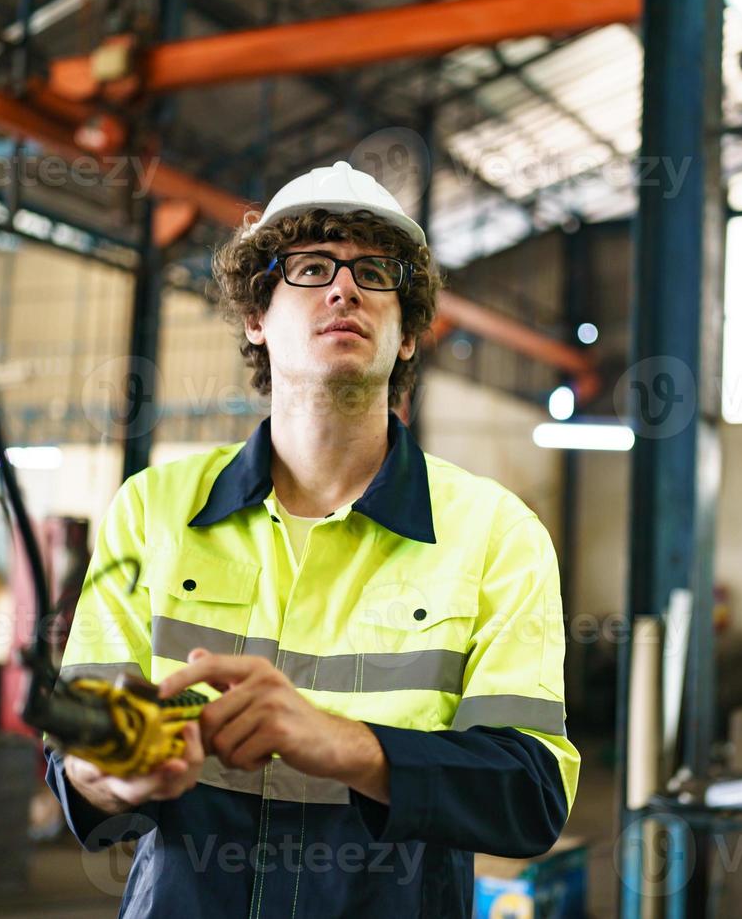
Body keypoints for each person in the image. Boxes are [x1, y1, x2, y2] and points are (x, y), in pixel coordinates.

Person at [44, 161, 580, 918]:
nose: (344, 288)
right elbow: (76, 747)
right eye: (311, 266)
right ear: (257, 317)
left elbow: (529, 792)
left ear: (406, 337)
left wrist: (348, 745)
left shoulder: (495, 534)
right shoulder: (151, 510)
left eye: (374, 271)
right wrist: (115, 772)